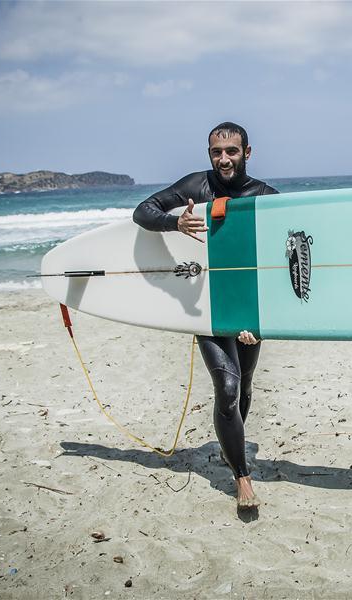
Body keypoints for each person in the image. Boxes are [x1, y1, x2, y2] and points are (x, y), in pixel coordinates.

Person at [132, 122, 278, 509]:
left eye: (232, 151)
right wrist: (173, 222)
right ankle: (242, 476)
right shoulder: (196, 186)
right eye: (217, 152)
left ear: (248, 152)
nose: (224, 159)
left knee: (244, 386)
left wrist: (264, 323)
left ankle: (233, 448)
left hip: (248, 310)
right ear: (209, 154)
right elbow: (142, 211)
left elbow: (281, 263)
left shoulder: (265, 197)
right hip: (208, 309)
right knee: (227, 390)